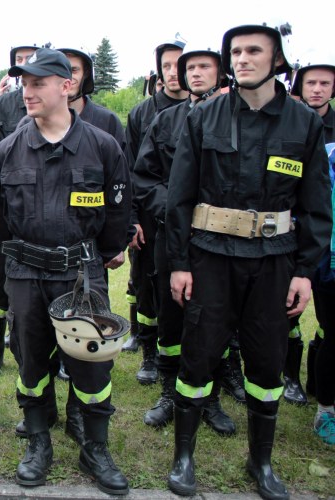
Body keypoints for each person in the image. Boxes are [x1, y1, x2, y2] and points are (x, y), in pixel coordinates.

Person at [165, 22, 331, 498]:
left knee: (266, 362)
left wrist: (304, 272)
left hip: (274, 263)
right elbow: (180, 196)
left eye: (254, 51)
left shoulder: (304, 123)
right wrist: (179, 262)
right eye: (235, 51)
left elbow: (316, 205)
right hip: (211, 259)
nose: (242, 59)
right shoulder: (205, 117)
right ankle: (183, 457)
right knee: (198, 356)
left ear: (277, 60)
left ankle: (261, 462)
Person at [0, 48, 131, 494]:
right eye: (24, 84)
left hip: (81, 274)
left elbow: (118, 216)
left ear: (67, 86)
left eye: (37, 84)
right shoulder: (8, 150)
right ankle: (38, 441)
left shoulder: (102, 147)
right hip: (26, 273)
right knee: (30, 359)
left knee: (91, 363)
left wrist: (99, 254)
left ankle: (95, 446)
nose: (27, 92)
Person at [132, 45, 236, 435]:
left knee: (215, 319)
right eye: (189, 67)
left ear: (220, 73)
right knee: (171, 317)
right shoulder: (166, 121)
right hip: (171, 236)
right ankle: (168, 393)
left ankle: (210, 398)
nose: (194, 73)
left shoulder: (237, 120)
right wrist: (175, 209)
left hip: (220, 240)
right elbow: (144, 176)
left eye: (204, 66)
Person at [122, 35, 187, 389]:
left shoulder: (206, 110)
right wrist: (132, 219)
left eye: (180, 65)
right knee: (146, 285)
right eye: (167, 66)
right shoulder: (141, 114)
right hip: (148, 217)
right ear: (159, 71)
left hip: (191, 219)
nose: (174, 72)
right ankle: (149, 353)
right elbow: (131, 171)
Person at [0, 42, 41, 379]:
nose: (25, 64)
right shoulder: (2, 105)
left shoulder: (51, 106)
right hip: (7, 213)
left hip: (43, 217)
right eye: (19, 60)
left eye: (31, 59)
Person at [289, 55, 335, 444]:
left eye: (325, 83)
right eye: (311, 83)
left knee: (327, 324)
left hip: (327, 241)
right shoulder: (288, 124)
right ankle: (289, 377)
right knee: (286, 315)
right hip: (290, 238)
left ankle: (322, 394)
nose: (317, 89)